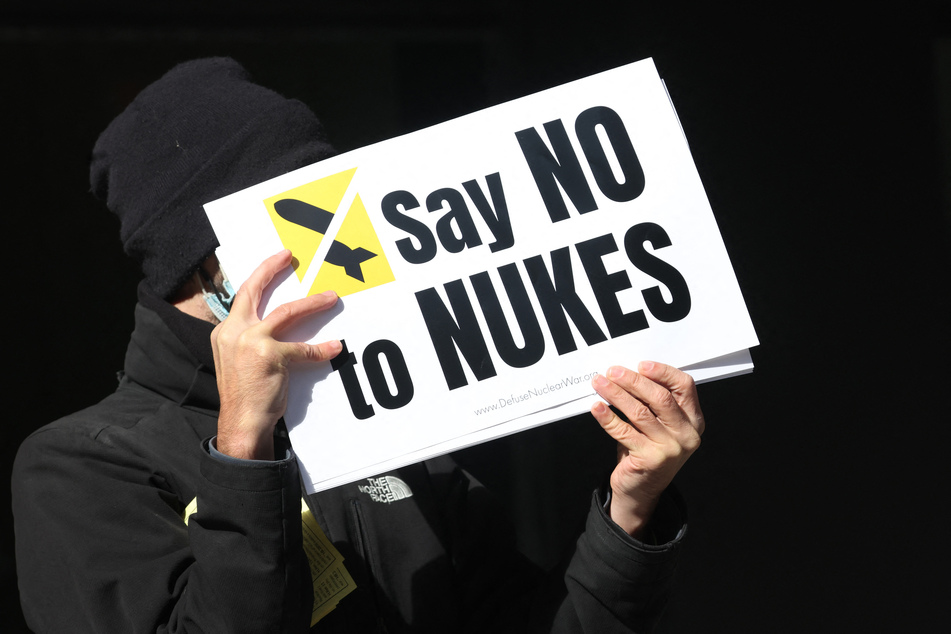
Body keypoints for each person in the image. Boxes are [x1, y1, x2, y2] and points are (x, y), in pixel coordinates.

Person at [12, 57, 705, 633]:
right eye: (299, 216)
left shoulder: (386, 425)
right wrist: (243, 453)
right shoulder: (83, 467)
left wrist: (630, 514)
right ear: (201, 265)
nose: (340, 242)